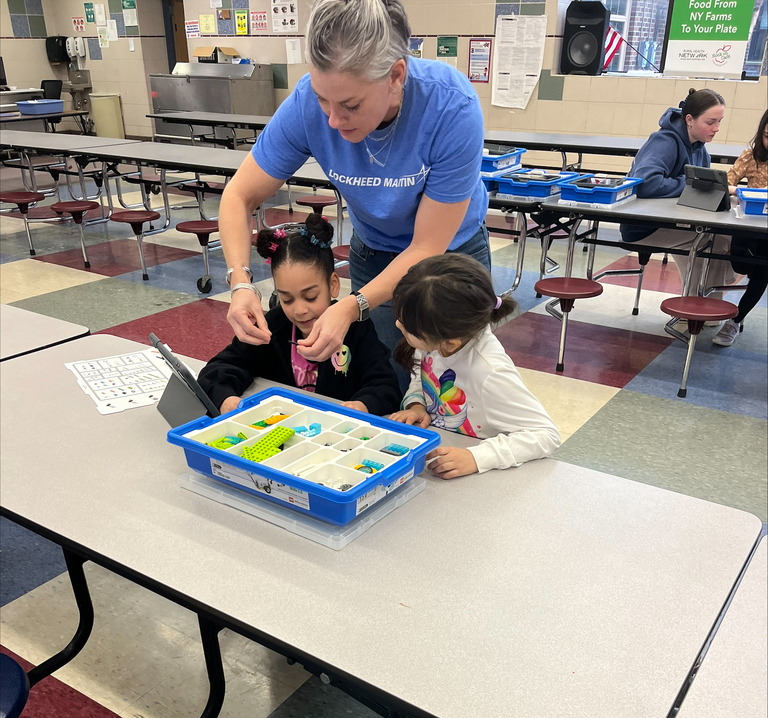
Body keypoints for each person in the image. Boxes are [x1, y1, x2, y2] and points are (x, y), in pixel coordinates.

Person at [217, 0, 490, 383]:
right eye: (321, 98)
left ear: (396, 75)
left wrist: (350, 306)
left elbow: (427, 247)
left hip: (448, 257)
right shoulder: (306, 108)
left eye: (350, 104)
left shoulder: (450, 107)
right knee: (390, 379)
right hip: (375, 250)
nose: (332, 119)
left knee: (457, 384)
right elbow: (238, 196)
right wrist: (240, 283)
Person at [198, 214, 401, 417]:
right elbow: (218, 370)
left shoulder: (357, 329)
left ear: (333, 285)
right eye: (287, 299)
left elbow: (386, 388)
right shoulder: (273, 328)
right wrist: (226, 400)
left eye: (311, 297)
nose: (300, 310)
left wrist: (362, 405)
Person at [389, 254, 561, 479]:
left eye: (407, 328)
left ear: (449, 343)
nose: (397, 324)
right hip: (438, 457)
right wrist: (416, 406)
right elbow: (421, 379)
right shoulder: (435, 338)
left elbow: (546, 435)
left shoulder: (491, 371)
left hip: (484, 479)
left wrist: (477, 458)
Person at [620, 88, 736, 297]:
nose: (717, 128)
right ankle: (698, 307)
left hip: (676, 221)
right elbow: (645, 184)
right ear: (689, 119)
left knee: (727, 236)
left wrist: (722, 192)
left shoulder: (700, 149)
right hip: (645, 227)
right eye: (710, 123)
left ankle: (702, 300)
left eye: (720, 121)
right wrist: (693, 184)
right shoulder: (665, 141)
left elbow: (702, 190)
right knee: (715, 241)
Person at [713, 109, 768, 347]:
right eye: (767, 135)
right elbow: (726, 182)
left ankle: (736, 319)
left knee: (762, 272)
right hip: (747, 223)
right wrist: (742, 191)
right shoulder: (751, 156)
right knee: (742, 265)